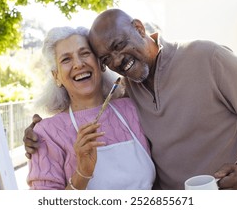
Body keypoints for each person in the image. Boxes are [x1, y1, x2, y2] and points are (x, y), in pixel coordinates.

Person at [24, 9, 237, 190]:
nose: (117, 61)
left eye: (119, 45)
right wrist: (40, 133)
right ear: (55, 75)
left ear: (139, 28)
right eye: (106, 59)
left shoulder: (207, 57)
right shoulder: (128, 92)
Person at [26, 25, 155, 190]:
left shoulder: (131, 108)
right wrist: (82, 173)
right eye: (66, 59)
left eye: (85, 53)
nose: (78, 64)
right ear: (56, 76)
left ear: (101, 64)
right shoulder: (46, 134)